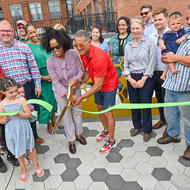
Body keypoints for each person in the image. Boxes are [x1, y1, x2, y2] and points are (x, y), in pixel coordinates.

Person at [72, 30, 119, 153]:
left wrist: (80, 98)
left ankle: (112, 140)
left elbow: (97, 86)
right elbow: (88, 71)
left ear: (89, 42)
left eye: (81, 45)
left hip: (108, 85)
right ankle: (106, 130)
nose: (78, 48)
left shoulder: (99, 57)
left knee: (108, 112)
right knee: (99, 107)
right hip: (98, 83)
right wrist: (80, 83)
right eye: (76, 45)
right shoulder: (82, 53)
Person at [41, 27, 86, 154]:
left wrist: (75, 80)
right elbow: (55, 81)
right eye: (52, 48)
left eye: (57, 47)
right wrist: (67, 94)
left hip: (75, 87)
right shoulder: (50, 62)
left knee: (77, 112)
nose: (55, 50)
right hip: (61, 92)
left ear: (64, 44)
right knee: (66, 115)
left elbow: (80, 71)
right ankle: (71, 139)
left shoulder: (73, 54)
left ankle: (79, 134)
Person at [0, 20, 44, 144]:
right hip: (9, 91)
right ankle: (20, 140)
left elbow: (34, 67)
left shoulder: (24, 47)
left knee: (30, 112)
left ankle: (34, 136)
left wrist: (38, 85)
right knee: (13, 115)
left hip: (26, 87)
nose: (6, 33)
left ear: (13, 32)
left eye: (8, 30)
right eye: (3, 31)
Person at [0, 77, 44, 182]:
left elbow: (28, 115)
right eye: (11, 92)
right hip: (11, 131)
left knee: (30, 148)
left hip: (24, 128)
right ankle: (23, 169)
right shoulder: (2, 104)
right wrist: (5, 118)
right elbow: (1, 121)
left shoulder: (21, 100)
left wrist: (19, 114)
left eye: (16, 91)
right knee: (18, 152)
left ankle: (36, 165)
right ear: (3, 92)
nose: (14, 94)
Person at [123, 16, 156, 142]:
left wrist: (143, 79)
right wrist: (130, 78)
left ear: (142, 28)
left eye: (137, 28)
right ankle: (137, 126)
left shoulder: (149, 43)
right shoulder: (128, 44)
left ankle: (147, 130)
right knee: (134, 104)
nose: (135, 31)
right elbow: (125, 65)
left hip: (145, 77)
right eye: (133, 28)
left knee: (145, 104)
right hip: (131, 77)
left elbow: (151, 64)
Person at [25, 24, 58, 133]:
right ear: (26, 35)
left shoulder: (45, 43)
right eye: (30, 33)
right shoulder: (26, 47)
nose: (34, 34)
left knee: (54, 100)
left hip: (52, 76)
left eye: (34, 31)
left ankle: (54, 120)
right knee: (45, 102)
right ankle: (48, 123)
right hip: (40, 79)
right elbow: (28, 68)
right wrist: (42, 77)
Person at [149, 8, 169, 130]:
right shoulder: (152, 36)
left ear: (167, 19)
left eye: (160, 19)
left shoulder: (172, 34)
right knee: (159, 99)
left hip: (168, 74)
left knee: (169, 101)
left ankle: (171, 126)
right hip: (155, 73)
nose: (157, 22)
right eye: (155, 20)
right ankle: (163, 119)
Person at [108, 17, 133, 102]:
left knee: (130, 86)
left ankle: (134, 107)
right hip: (117, 67)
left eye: (123, 25)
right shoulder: (113, 39)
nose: (121, 27)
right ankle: (124, 106)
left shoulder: (132, 37)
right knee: (121, 88)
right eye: (119, 25)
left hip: (129, 66)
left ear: (127, 26)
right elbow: (110, 55)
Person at [160, 12, 187, 80]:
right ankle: (173, 70)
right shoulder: (168, 33)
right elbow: (161, 40)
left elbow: (186, 36)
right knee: (170, 59)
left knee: (172, 60)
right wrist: (162, 45)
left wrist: (181, 38)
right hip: (169, 49)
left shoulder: (183, 31)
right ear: (169, 26)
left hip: (176, 51)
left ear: (181, 24)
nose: (175, 25)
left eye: (178, 23)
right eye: (173, 24)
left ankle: (163, 74)